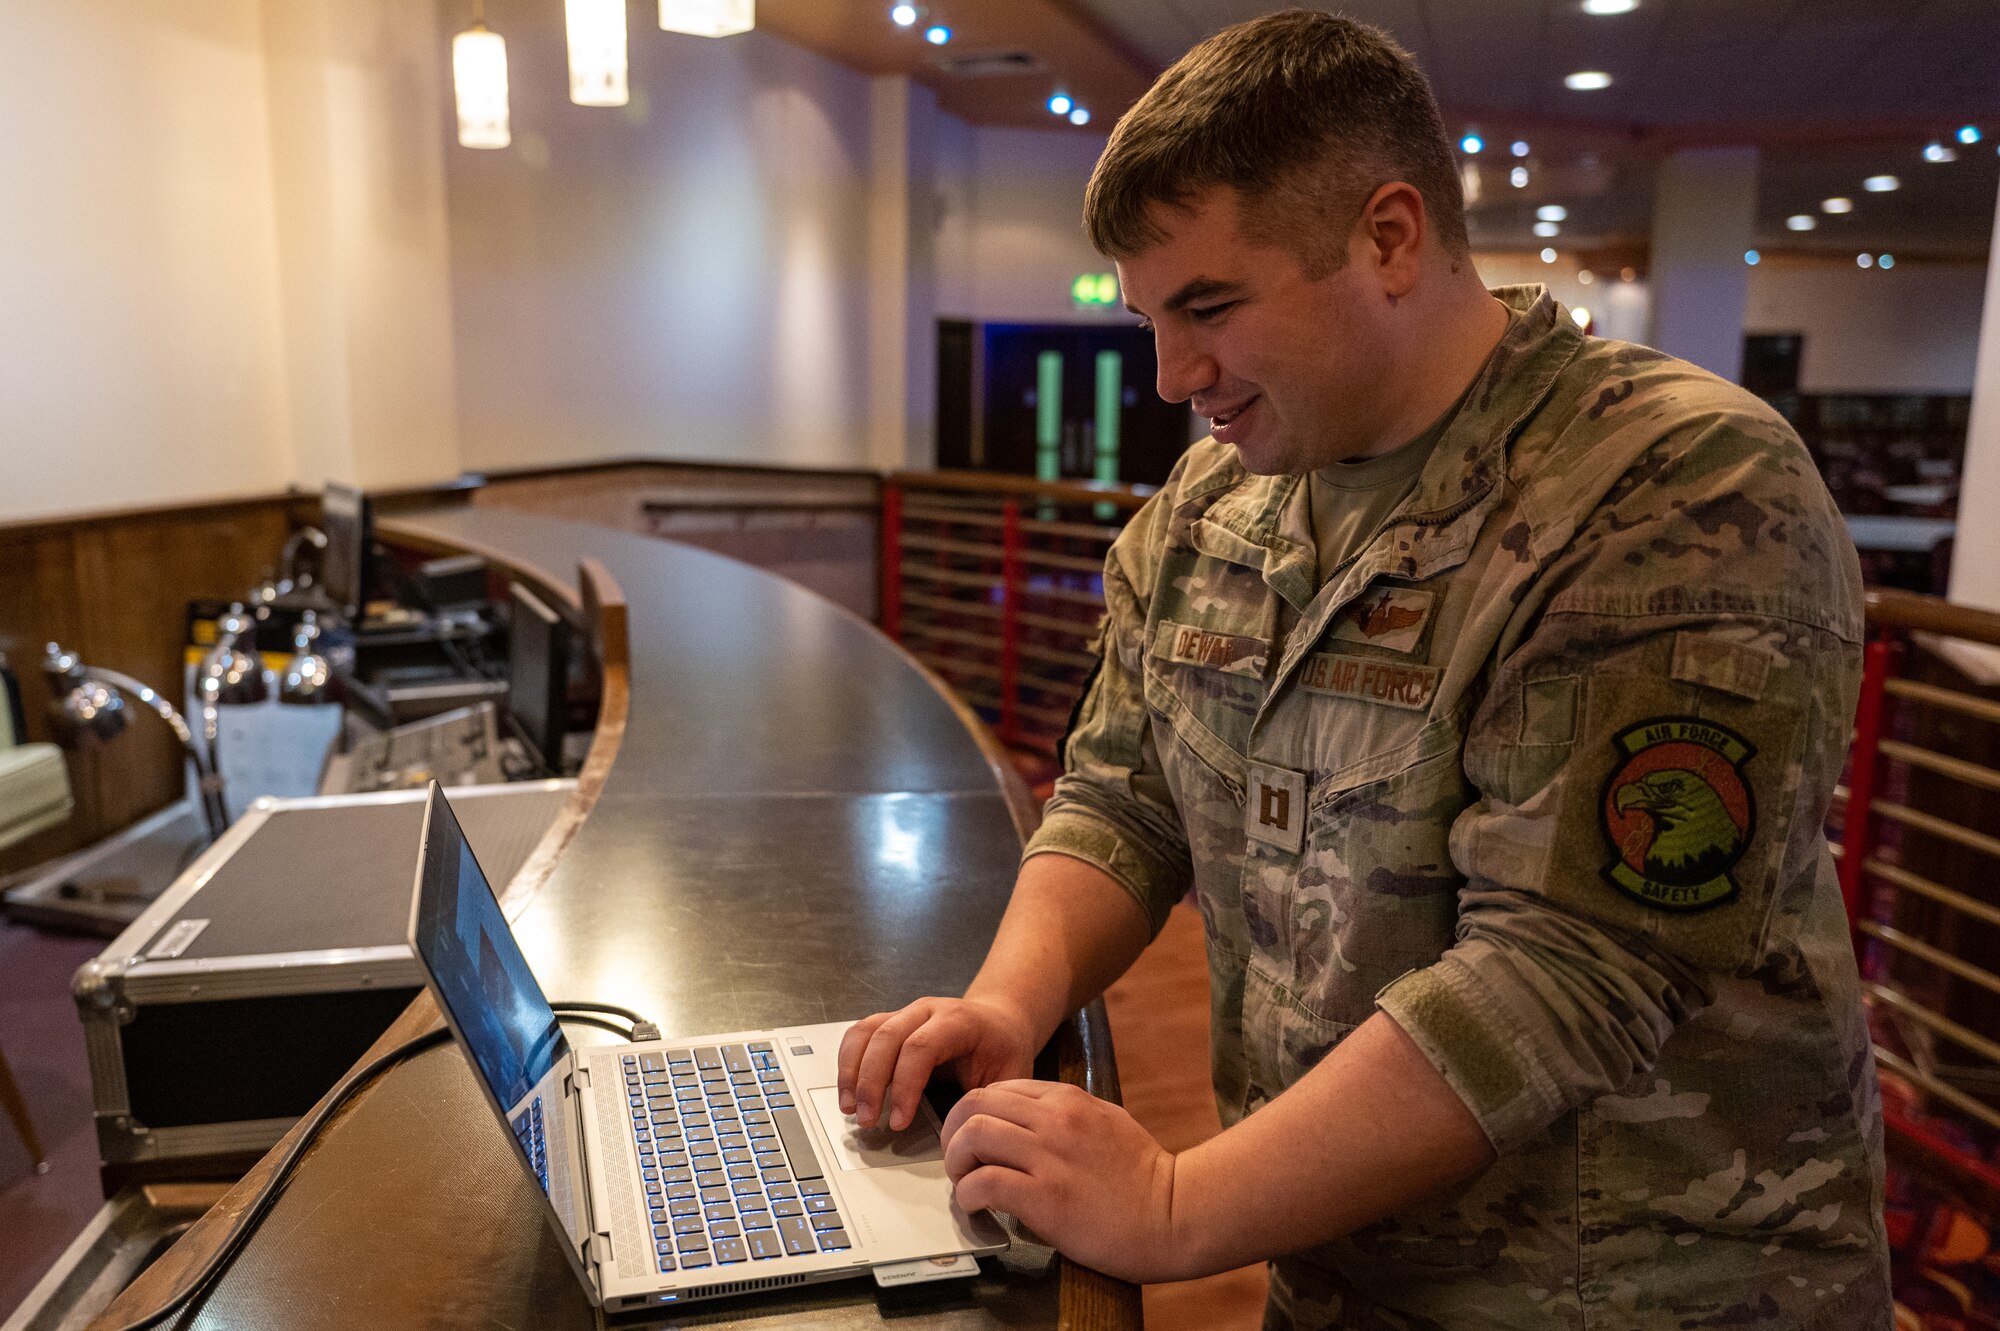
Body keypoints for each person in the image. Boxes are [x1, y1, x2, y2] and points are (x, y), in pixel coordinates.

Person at [838, 11, 1890, 1328]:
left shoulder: (1679, 483)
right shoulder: (1220, 499)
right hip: (1341, 1268)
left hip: (1632, 1294)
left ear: (1388, 238)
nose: (1174, 376)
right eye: (1153, 317)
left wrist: (1174, 1206)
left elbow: (1565, 975)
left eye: (1210, 306)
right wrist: (1008, 998)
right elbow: (1126, 795)